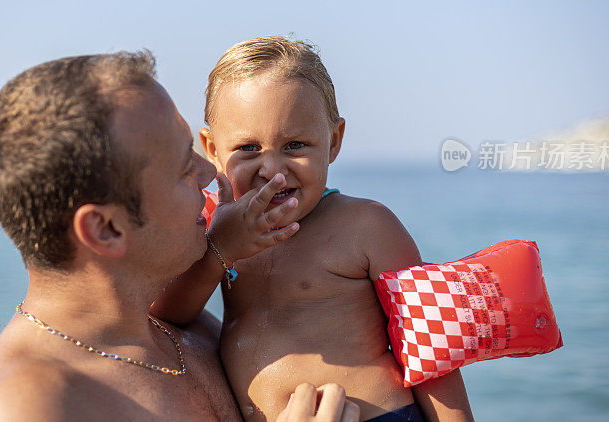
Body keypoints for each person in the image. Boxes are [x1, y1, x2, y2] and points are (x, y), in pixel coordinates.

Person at [0, 51, 360, 422]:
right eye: (184, 167)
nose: (212, 176)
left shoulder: (186, 329)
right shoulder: (33, 404)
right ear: (106, 229)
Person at [152, 37, 475, 421]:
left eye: (295, 145)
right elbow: (167, 312)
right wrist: (219, 250)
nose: (272, 169)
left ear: (333, 141)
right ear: (212, 148)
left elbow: (432, 349)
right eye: (248, 148)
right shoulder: (217, 229)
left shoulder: (366, 226)